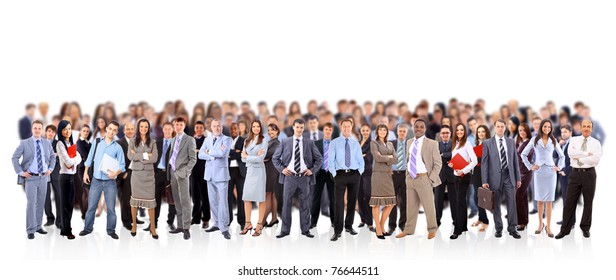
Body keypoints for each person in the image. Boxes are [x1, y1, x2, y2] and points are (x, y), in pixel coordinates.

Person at [273, 118, 323, 239]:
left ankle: (305, 230)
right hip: (289, 177)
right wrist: (282, 169)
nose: (299, 129)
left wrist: (311, 170)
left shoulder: (309, 143)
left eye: (301, 127)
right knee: (286, 204)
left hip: (304, 178)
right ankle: (285, 230)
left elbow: (319, 159)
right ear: (293, 127)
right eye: (297, 127)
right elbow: (275, 158)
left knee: (305, 204)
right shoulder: (285, 142)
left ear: (303, 128)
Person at [556, 120, 602, 239]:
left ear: (591, 128)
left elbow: (595, 159)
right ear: (581, 128)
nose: (586, 128)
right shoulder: (574, 140)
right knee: (569, 202)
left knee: (588, 202)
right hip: (575, 174)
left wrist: (580, 159)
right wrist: (587, 154)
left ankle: (585, 228)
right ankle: (565, 229)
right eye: (584, 126)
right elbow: (571, 154)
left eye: (589, 126)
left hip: (589, 174)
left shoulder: (596, 143)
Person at [79, 120, 125, 239]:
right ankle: (87, 228)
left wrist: (115, 173)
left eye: (114, 130)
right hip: (96, 180)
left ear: (116, 132)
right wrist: (85, 173)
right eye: (110, 129)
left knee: (111, 209)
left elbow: (122, 165)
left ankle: (111, 230)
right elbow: (89, 158)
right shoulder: (97, 142)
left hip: (110, 182)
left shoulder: (118, 147)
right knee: (91, 207)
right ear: (106, 129)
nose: (111, 131)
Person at [396, 119, 441, 239]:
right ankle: (409, 229)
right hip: (410, 179)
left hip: (423, 178)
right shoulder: (409, 142)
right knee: (411, 206)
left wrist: (430, 179)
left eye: (421, 127)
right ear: (413, 127)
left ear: (425, 129)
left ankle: (432, 229)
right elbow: (408, 159)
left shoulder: (432, 143)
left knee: (429, 206)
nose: (418, 129)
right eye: (416, 126)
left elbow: (438, 164)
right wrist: (407, 175)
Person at [12, 120, 56, 239]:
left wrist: (50, 168)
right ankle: (30, 230)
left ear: (42, 130)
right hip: (31, 178)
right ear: (32, 129)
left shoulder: (47, 143)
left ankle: (38, 226)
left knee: (40, 203)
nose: (37, 130)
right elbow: (15, 157)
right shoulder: (24, 143)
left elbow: (53, 157)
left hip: (44, 178)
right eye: (35, 128)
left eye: (39, 128)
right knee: (31, 204)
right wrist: (21, 172)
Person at [521, 119, 565, 237]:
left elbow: (562, 156)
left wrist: (559, 167)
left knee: (549, 200)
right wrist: (530, 166)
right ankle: (540, 224)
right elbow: (523, 154)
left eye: (549, 127)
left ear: (551, 128)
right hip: (539, 171)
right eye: (544, 127)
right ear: (541, 127)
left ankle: (548, 226)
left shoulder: (553, 140)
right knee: (540, 200)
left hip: (550, 172)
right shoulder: (534, 139)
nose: (546, 129)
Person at [481, 119, 522, 239]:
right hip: (494, 178)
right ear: (494, 128)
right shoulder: (487, 143)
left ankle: (512, 228)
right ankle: (498, 228)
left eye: (502, 126)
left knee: (512, 203)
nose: (500, 128)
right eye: (498, 126)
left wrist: (518, 178)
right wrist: (484, 180)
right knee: (496, 205)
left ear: (505, 128)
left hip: (509, 177)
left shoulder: (510, 142)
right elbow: (485, 164)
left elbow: (515, 161)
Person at [328, 118, 364, 242]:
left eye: (349, 126)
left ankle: (349, 226)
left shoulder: (355, 143)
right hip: (340, 175)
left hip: (354, 174)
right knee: (338, 203)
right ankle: (337, 231)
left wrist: (359, 172)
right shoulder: (334, 143)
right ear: (341, 127)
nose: (346, 128)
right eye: (344, 126)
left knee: (352, 202)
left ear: (351, 127)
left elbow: (360, 160)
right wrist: (334, 174)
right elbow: (330, 161)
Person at [200, 119, 232, 240]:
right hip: (209, 174)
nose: (216, 128)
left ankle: (224, 228)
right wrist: (212, 154)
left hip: (221, 175)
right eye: (214, 126)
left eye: (219, 126)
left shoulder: (227, 139)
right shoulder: (207, 140)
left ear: (221, 127)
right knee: (212, 201)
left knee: (223, 201)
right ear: (211, 127)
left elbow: (222, 153)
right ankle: (217, 223)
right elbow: (200, 154)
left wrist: (208, 152)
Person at [127, 119, 159, 239]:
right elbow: (130, 156)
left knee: (151, 203)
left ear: (148, 128)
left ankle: (153, 228)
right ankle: (134, 225)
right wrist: (147, 155)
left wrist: (138, 155)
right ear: (138, 127)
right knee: (134, 202)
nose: (144, 129)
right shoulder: (132, 141)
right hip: (136, 176)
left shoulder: (153, 142)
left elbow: (155, 158)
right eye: (141, 126)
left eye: (146, 127)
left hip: (149, 176)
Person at [167, 117, 197, 240]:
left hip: (183, 174)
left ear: (184, 125)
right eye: (176, 124)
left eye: (180, 124)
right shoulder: (173, 139)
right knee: (177, 201)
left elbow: (193, 159)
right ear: (174, 126)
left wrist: (186, 172)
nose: (178, 126)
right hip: (173, 173)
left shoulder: (189, 140)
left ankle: (186, 228)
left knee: (185, 201)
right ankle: (179, 226)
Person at [448, 123, 477, 239]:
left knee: (459, 202)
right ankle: (464, 227)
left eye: (462, 130)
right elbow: (457, 158)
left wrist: (464, 171)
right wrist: (451, 164)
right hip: (456, 175)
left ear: (464, 132)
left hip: (464, 177)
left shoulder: (467, 144)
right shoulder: (455, 144)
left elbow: (474, 161)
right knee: (461, 202)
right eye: (458, 130)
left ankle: (457, 230)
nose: (459, 132)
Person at [55, 120, 83, 240]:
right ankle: (66, 230)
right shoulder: (60, 144)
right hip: (65, 178)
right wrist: (74, 160)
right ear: (61, 130)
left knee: (70, 204)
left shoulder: (70, 143)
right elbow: (68, 162)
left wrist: (74, 160)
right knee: (65, 205)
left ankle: (65, 228)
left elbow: (79, 158)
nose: (68, 131)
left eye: (69, 129)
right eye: (65, 129)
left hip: (72, 177)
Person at [240, 120, 269, 236]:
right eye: (254, 126)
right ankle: (248, 223)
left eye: (258, 126)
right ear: (251, 128)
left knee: (260, 198)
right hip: (250, 171)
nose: (256, 128)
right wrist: (251, 157)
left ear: (261, 128)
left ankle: (259, 224)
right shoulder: (246, 141)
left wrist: (247, 156)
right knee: (246, 198)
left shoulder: (264, 140)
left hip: (259, 172)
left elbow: (260, 158)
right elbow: (242, 158)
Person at [369, 124, 397, 239]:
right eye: (380, 130)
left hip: (388, 174)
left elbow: (396, 159)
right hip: (378, 174)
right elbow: (377, 158)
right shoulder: (374, 143)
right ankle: (379, 229)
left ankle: (380, 226)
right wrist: (389, 157)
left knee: (391, 203)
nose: (382, 132)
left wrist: (387, 158)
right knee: (377, 203)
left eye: (384, 130)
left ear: (387, 132)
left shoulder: (390, 143)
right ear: (377, 132)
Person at [310, 122, 335, 229]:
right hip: (319, 173)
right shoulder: (316, 143)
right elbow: (312, 159)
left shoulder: (335, 144)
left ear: (332, 131)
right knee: (316, 198)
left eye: (330, 129)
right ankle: (313, 222)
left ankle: (334, 222)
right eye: (326, 129)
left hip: (332, 174)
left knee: (333, 199)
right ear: (323, 131)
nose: (328, 131)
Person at [434, 125, 456, 228]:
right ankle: (436, 220)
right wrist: (448, 155)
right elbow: (435, 158)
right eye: (443, 133)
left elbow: (454, 155)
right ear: (440, 135)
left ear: (450, 134)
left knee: (454, 199)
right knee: (438, 199)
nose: (445, 135)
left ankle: (456, 221)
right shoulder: (435, 145)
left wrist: (443, 155)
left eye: (447, 133)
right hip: (440, 175)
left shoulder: (455, 144)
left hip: (453, 175)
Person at [389, 123, 409, 234]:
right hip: (393, 175)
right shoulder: (391, 144)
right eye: (400, 131)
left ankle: (403, 224)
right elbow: (387, 158)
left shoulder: (410, 144)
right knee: (392, 201)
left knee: (405, 201)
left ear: (406, 133)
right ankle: (391, 226)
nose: (402, 133)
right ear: (397, 132)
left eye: (404, 131)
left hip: (405, 175)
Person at [190, 121, 210, 229]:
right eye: (197, 127)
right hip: (193, 172)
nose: (198, 129)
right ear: (194, 128)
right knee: (195, 197)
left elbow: (207, 152)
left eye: (200, 127)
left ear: (203, 129)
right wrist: (198, 151)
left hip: (204, 171)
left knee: (205, 196)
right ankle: (196, 218)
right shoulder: (191, 140)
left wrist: (197, 151)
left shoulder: (206, 140)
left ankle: (206, 219)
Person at [470, 125, 490, 232]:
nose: (481, 134)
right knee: (476, 197)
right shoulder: (478, 144)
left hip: (483, 173)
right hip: (476, 173)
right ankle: (480, 218)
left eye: (483, 132)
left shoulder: (489, 144)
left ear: (486, 133)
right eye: (479, 132)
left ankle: (485, 221)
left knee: (481, 197)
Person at [515, 123, 533, 231]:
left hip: (526, 173)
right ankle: (525, 220)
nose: (521, 132)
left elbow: (526, 157)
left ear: (527, 131)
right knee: (523, 197)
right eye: (520, 130)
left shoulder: (529, 142)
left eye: (524, 130)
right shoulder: (520, 142)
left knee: (518, 196)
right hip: (519, 172)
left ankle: (521, 221)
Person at [262, 123, 281, 228]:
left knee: (268, 194)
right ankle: (274, 218)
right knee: (273, 195)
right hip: (269, 170)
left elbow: (265, 155)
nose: (270, 132)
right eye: (268, 130)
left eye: (272, 130)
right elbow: (264, 156)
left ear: (277, 131)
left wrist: (262, 157)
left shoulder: (277, 143)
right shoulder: (270, 142)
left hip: (272, 171)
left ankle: (262, 221)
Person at [358, 123, 374, 231]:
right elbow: (354, 156)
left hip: (367, 172)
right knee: (359, 197)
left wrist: (361, 156)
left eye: (367, 130)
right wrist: (361, 155)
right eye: (363, 130)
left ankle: (370, 222)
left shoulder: (372, 144)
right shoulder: (357, 143)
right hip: (358, 173)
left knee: (367, 196)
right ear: (360, 132)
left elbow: (369, 158)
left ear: (369, 132)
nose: (365, 132)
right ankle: (362, 219)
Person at [556, 124, 573, 226]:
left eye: (565, 132)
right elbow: (554, 155)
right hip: (561, 174)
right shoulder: (563, 143)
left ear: (570, 133)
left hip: (569, 174)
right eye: (562, 132)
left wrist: (565, 171)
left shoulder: (573, 143)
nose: (563, 134)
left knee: (570, 199)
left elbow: (574, 161)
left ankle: (570, 222)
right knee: (565, 198)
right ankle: (566, 220)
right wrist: (558, 144)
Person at [75, 125, 92, 221]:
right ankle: (85, 214)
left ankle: (85, 213)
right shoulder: (79, 142)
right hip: (82, 170)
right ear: (81, 132)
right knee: (86, 191)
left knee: (88, 192)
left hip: (89, 169)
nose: (86, 133)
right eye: (84, 131)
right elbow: (85, 156)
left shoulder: (88, 143)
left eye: (87, 131)